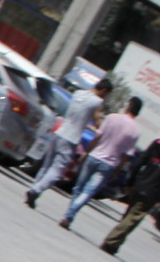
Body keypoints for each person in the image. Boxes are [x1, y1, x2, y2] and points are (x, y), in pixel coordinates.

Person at [97, 126, 160, 255]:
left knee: (129, 215)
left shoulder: (156, 144)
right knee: (132, 220)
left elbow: (140, 162)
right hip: (152, 192)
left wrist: (130, 182)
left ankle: (114, 245)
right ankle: (110, 241)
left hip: (139, 185)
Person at [24, 74, 110, 208]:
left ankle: (33, 189)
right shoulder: (97, 102)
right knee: (57, 171)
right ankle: (35, 191)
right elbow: (98, 123)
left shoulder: (78, 93)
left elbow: (78, 115)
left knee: (46, 166)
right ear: (104, 91)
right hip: (71, 138)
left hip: (60, 131)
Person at [58, 95, 143, 229]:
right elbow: (126, 155)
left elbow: (97, 136)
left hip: (94, 156)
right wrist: (118, 170)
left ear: (128, 106)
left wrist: (86, 152)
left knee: (79, 188)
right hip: (109, 165)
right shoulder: (136, 131)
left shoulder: (111, 117)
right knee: (88, 191)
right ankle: (69, 216)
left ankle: (69, 215)